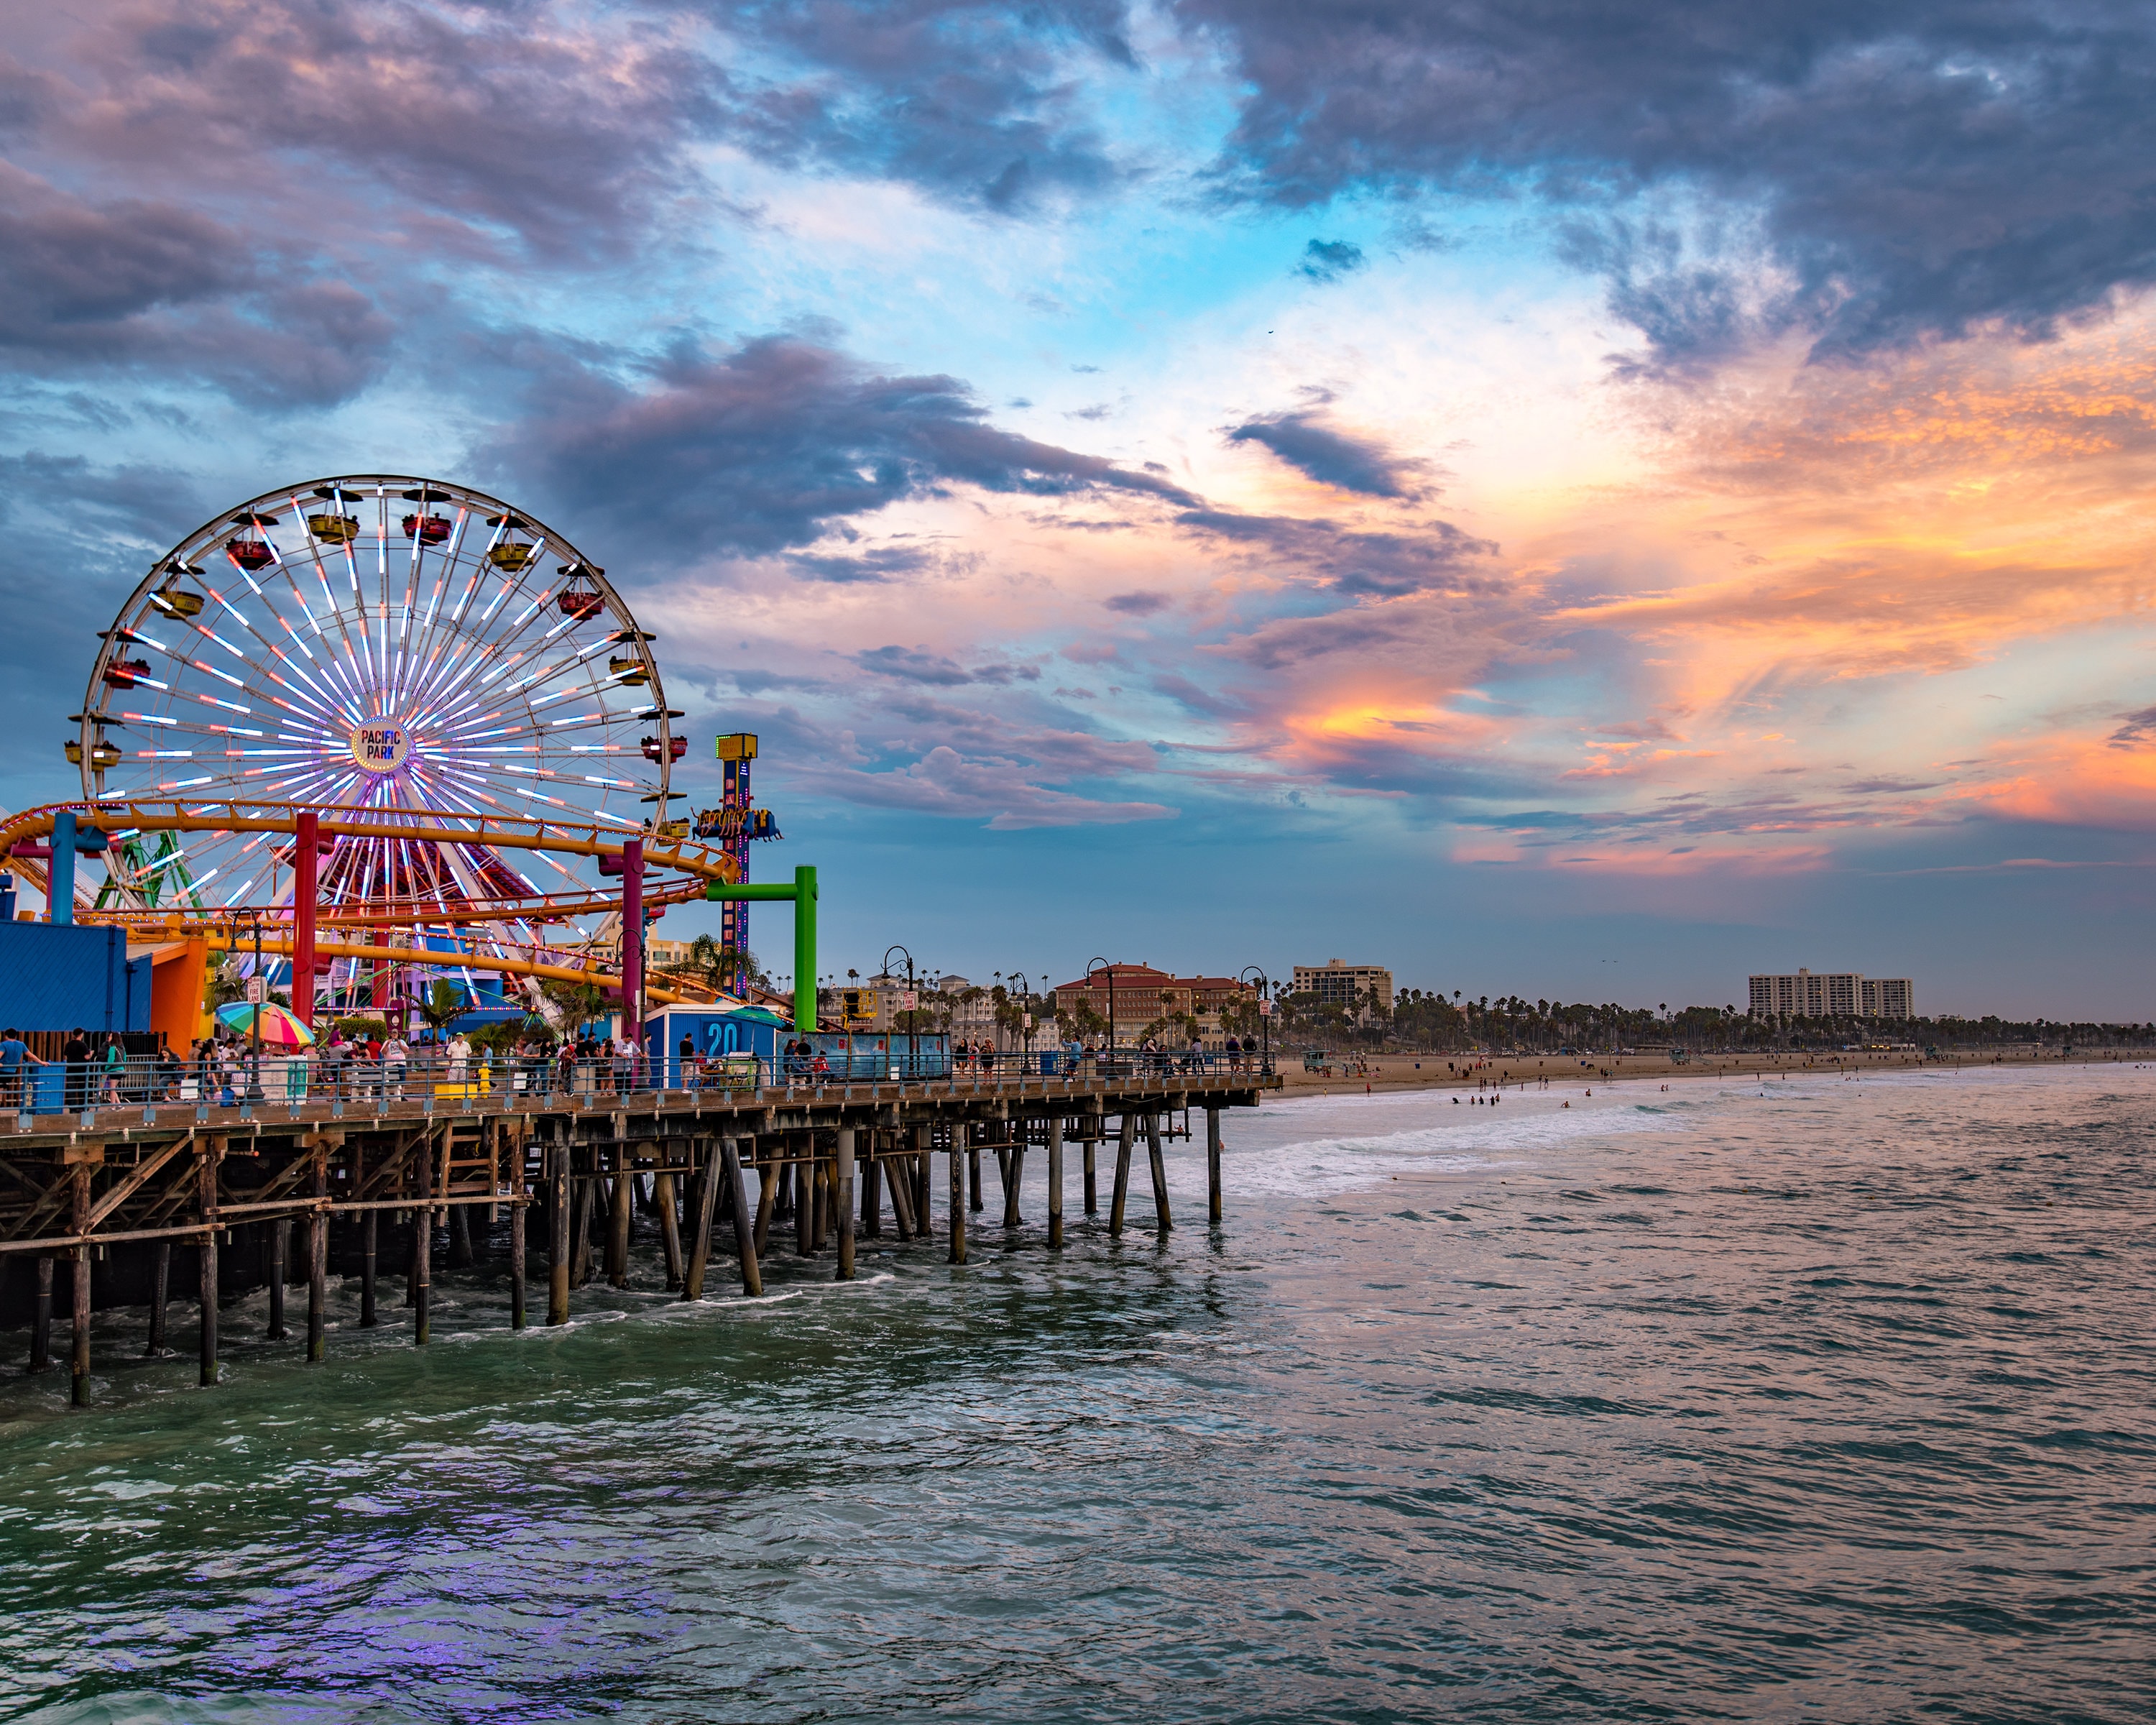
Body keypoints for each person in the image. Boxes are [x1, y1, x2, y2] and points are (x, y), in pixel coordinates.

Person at [0, 1028, 42, 1110]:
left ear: (6, 1036)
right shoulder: (21, 1045)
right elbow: (31, 1055)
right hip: (12, 1072)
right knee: (1, 1089)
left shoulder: (3, 1045)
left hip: (2, 1071)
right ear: (16, 1036)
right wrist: (41, 1062)